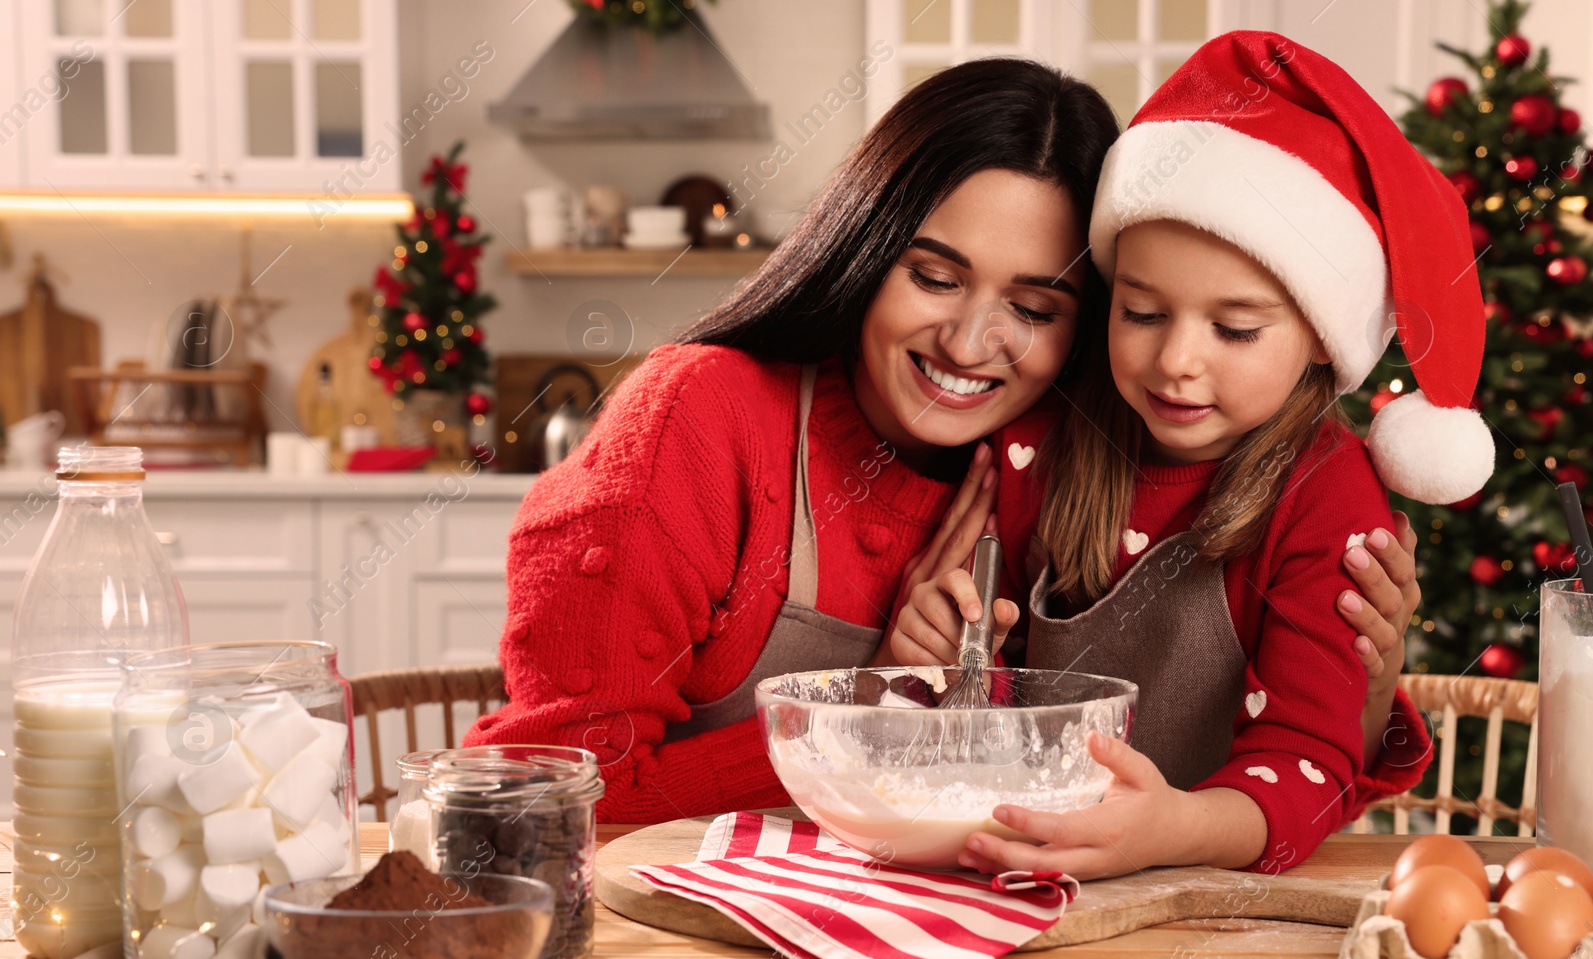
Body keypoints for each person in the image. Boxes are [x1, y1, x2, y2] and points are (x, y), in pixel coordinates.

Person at [465, 56, 1421, 824]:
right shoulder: (703, 420)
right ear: (863, 246)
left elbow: (1218, 733)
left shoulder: (1052, 458)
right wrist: (877, 718)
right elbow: (551, 791)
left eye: (1035, 306)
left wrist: (1363, 695)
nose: (969, 344)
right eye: (934, 276)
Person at [892, 32, 1492, 876]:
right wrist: (951, 658)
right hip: (1028, 865)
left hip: (1216, 906)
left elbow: (1314, 760)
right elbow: (992, 699)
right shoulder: (1041, 439)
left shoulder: (1328, 495)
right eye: (1141, 312)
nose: (1177, 359)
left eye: (1235, 329)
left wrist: (1176, 829)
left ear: (1322, 338)